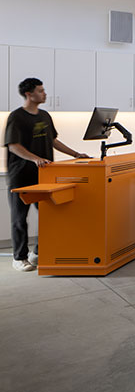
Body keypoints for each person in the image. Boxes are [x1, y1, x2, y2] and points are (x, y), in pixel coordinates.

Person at [4, 78, 89, 272]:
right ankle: (19, 258)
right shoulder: (17, 117)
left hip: (44, 175)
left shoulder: (44, 115)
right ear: (29, 94)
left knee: (49, 215)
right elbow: (14, 146)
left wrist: (76, 154)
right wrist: (35, 158)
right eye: (40, 91)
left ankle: (38, 253)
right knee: (19, 218)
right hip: (21, 175)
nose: (45, 94)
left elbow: (53, 141)